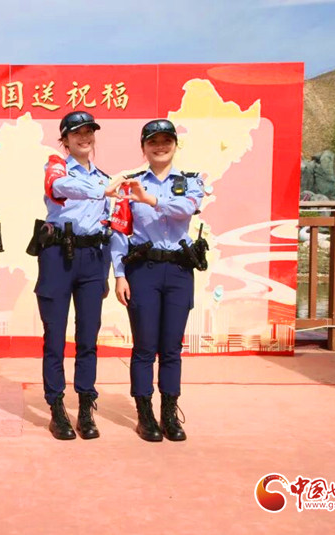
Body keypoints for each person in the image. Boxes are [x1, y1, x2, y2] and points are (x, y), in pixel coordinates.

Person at [29, 111, 127, 440]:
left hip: (92, 259)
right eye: (76, 133)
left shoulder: (106, 179)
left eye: (89, 132)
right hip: (58, 256)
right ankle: (56, 407)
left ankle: (86, 407)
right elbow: (59, 186)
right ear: (65, 140)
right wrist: (103, 189)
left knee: (88, 338)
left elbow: (112, 229)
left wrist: (113, 272)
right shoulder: (56, 166)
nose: (84, 137)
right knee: (54, 337)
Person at [110, 118, 205, 442]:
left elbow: (187, 208)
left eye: (166, 141)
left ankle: (169, 413)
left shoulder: (190, 181)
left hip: (178, 271)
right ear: (143, 147)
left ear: (175, 145)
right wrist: (119, 274)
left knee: (171, 347)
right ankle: (145, 414)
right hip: (143, 271)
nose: (160, 147)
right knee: (144, 346)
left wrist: (151, 200)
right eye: (153, 141)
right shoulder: (131, 184)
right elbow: (119, 232)